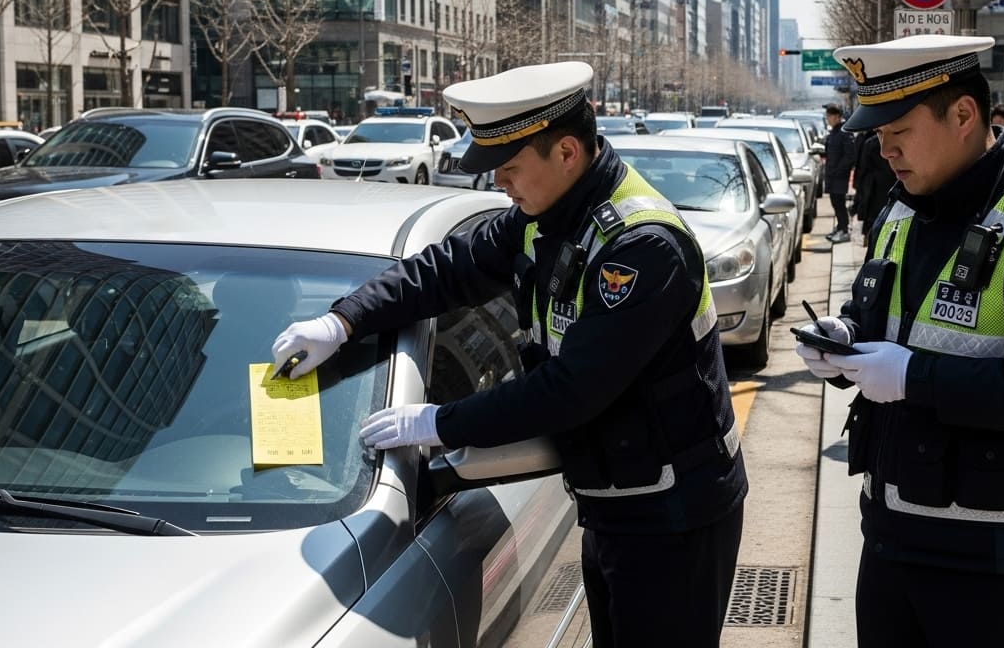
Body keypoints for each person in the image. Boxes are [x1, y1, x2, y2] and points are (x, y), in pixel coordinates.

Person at [271, 61, 747, 646]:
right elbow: (443, 271)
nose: (500, 183)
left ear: (567, 152)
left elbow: (571, 390)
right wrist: (342, 321)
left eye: (511, 167)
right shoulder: (543, 216)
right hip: (617, 499)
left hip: (676, 515)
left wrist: (439, 422)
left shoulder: (642, 247)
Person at [798, 35, 1004, 646]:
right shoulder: (900, 210)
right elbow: (884, 321)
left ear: (964, 117)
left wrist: (914, 376)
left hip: (998, 557)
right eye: (877, 132)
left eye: (898, 129)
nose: (884, 149)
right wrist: (842, 342)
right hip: (892, 536)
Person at [851, 127, 897, 247]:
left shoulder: (869, 143)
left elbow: (862, 169)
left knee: (873, 219)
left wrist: (858, 189)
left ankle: (871, 241)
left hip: (873, 188)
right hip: (890, 186)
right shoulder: (894, 141)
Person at [823, 103, 857, 243]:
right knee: (835, 202)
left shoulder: (844, 132)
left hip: (839, 176)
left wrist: (838, 170)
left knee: (839, 203)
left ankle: (844, 230)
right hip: (832, 175)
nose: (828, 119)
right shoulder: (834, 132)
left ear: (837, 116)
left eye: (829, 116)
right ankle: (840, 226)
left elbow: (849, 155)